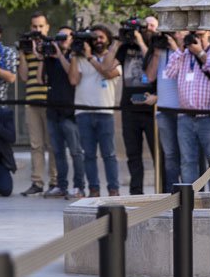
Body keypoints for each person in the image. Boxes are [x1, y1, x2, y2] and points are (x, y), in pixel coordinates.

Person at [170, 30, 210, 188]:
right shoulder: (184, 54)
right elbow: (169, 72)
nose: (197, 38)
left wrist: (200, 53)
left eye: (201, 34)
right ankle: (190, 201)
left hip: (208, 116)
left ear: (209, 33)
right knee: (187, 161)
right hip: (185, 117)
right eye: (195, 35)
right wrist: (180, 49)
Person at [74, 24, 121, 198]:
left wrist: (90, 58)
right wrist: (74, 54)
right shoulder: (81, 57)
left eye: (101, 37)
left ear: (108, 39)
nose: (98, 41)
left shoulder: (114, 58)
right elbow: (73, 79)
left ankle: (113, 189)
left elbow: (107, 73)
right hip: (83, 111)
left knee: (109, 154)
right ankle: (93, 189)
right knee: (89, 155)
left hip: (105, 112)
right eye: (95, 38)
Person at [41, 30, 84, 197]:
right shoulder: (51, 58)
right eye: (59, 38)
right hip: (53, 111)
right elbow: (41, 79)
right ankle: (61, 185)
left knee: (75, 152)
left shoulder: (74, 57)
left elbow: (72, 77)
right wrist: (43, 56)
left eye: (65, 37)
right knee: (57, 152)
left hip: (69, 112)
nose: (62, 41)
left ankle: (79, 186)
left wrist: (60, 54)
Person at [17, 12, 56, 196]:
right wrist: (22, 53)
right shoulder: (27, 49)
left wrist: (41, 53)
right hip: (31, 100)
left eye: (41, 26)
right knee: (36, 144)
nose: (38, 30)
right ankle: (37, 182)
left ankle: (55, 181)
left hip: (49, 100)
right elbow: (24, 76)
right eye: (34, 27)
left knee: (52, 143)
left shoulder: (51, 46)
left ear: (47, 27)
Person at [116, 21, 156, 194]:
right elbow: (108, 65)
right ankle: (136, 191)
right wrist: (117, 42)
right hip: (129, 107)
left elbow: (151, 65)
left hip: (150, 108)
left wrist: (141, 42)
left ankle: (161, 188)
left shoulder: (154, 45)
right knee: (133, 153)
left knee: (157, 152)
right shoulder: (125, 47)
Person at [147, 28, 186, 190]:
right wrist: (156, 53)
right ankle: (171, 192)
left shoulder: (186, 52)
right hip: (163, 111)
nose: (174, 36)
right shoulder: (160, 53)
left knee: (186, 155)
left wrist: (175, 48)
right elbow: (150, 76)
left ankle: (190, 191)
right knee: (169, 156)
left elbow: (184, 71)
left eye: (176, 32)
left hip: (183, 112)